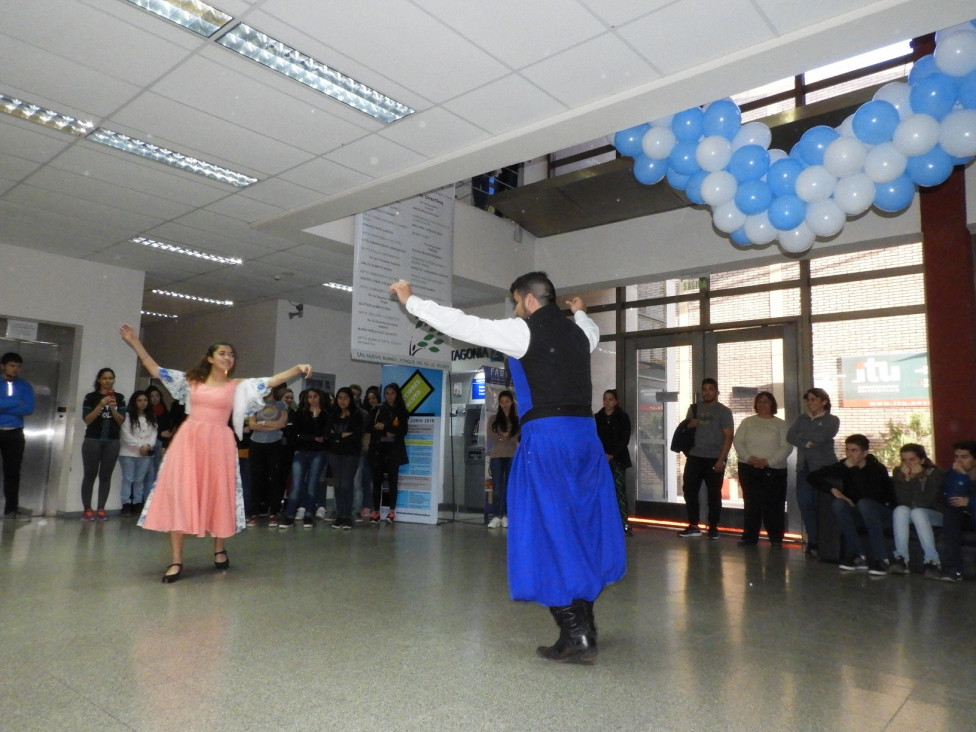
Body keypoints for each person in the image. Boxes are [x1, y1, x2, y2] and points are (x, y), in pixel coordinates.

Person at [391, 272, 625, 664]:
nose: (516, 310)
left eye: (517, 302)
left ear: (529, 300)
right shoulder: (579, 334)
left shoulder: (523, 332)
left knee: (547, 529)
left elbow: (463, 324)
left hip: (548, 439)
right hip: (585, 438)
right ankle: (585, 624)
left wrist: (411, 301)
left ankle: (576, 632)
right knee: (580, 527)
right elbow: (591, 328)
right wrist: (581, 311)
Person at [119, 323, 310, 583]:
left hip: (219, 442)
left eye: (231, 354)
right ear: (209, 358)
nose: (227, 357)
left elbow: (270, 381)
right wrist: (134, 341)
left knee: (219, 492)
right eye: (222, 353)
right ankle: (176, 560)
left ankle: (219, 548)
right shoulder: (191, 381)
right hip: (189, 441)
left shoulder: (237, 386)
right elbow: (155, 368)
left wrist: (297, 368)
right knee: (181, 494)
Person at [808, 434, 895, 575]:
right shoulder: (844, 465)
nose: (849, 454)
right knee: (838, 504)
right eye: (847, 450)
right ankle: (859, 556)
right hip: (859, 512)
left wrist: (853, 470)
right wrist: (833, 490)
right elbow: (813, 476)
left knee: (864, 503)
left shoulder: (877, 468)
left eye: (854, 450)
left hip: (880, 512)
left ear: (865, 453)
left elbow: (869, 494)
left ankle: (881, 559)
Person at [732, 391, 793, 546]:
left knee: (774, 504)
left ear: (772, 404)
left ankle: (776, 538)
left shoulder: (781, 424)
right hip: (748, 468)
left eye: (766, 401)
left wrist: (768, 461)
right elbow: (738, 442)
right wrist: (749, 458)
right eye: (759, 401)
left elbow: (786, 447)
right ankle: (750, 537)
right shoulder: (747, 422)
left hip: (774, 470)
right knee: (751, 504)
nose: (762, 404)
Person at [677, 378, 734, 539]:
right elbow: (686, 431)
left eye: (710, 389)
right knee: (689, 491)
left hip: (714, 458)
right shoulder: (694, 409)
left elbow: (729, 437)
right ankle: (694, 525)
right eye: (704, 389)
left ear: (717, 392)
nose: (707, 392)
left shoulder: (724, 411)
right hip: (694, 457)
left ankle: (713, 527)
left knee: (714, 494)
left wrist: (721, 460)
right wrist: (689, 425)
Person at [786, 388, 840, 557]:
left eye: (814, 400)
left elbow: (821, 437)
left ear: (824, 401)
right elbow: (790, 436)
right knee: (805, 503)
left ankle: (826, 542)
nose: (810, 403)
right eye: (808, 400)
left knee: (823, 505)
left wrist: (803, 437)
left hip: (824, 469)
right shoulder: (802, 418)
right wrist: (806, 441)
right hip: (804, 468)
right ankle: (813, 541)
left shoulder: (832, 419)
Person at [890, 443, 945, 578]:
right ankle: (901, 559)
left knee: (918, 512)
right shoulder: (899, 472)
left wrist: (915, 478)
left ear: (922, 460)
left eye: (912, 459)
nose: (908, 464)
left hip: (935, 514)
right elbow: (904, 502)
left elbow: (923, 503)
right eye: (904, 460)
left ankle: (932, 561)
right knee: (900, 510)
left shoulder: (935, 473)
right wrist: (907, 479)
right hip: (912, 512)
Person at [80, 368, 126, 521]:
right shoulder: (91, 397)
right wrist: (100, 405)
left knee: (106, 476)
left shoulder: (119, 398)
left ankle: (101, 508)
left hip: (112, 441)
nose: (108, 381)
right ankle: (87, 509)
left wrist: (112, 408)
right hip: (93, 440)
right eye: (105, 378)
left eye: (111, 378)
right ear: (99, 380)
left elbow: (121, 420)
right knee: (89, 475)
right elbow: (87, 419)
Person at [278, 388, 329, 528]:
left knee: (313, 484)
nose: (312, 399)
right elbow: (296, 434)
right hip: (301, 451)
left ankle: (308, 515)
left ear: (320, 398)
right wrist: (312, 438)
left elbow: (323, 436)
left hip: (318, 453)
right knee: (296, 484)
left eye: (315, 396)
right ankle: (289, 515)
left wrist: (316, 417)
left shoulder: (325, 414)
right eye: (309, 397)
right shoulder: (300, 413)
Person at [367, 383, 409, 523]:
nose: (389, 396)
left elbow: (402, 431)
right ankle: (376, 512)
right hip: (379, 450)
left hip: (394, 451)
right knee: (377, 481)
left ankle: (391, 512)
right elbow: (371, 428)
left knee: (392, 482)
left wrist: (385, 427)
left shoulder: (401, 410)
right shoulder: (379, 409)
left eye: (392, 393)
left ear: (397, 394)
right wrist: (387, 431)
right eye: (387, 393)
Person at [247, 386, 289, 527]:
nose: (267, 390)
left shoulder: (280, 404)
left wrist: (263, 424)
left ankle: (274, 513)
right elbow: (252, 425)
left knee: (275, 478)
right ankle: (255, 513)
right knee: (256, 478)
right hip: (256, 444)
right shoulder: (255, 403)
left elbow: (282, 423)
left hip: (275, 444)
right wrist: (272, 425)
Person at [0, 352, 34, 521]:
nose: (15, 369)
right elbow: (20, 405)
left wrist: (3, 405)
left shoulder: (25, 386)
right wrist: (15, 402)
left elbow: (28, 408)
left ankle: (11, 509)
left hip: (14, 433)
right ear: (3, 366)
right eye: (12, 365)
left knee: (13, 472)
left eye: (18, 366)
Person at [594, 389, 632, 537]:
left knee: (619, 491)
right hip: (600, 459)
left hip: (618, 459)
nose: (607, 402)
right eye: (605, 399)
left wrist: (613, 454)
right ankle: (603, 524)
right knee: (600, 490)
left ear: (616, 401)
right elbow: (594, 438)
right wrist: (602, 454)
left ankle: (624, 523)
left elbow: (625, 438)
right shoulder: (597, 418)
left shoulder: (622, 417)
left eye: (610, 399)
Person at [937, 441, 976, 582]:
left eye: (964, 457)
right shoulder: (952, 473)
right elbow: (951, 499)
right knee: (951, 514)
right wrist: (962, 477)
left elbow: (965, 501)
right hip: (963, 517)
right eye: (956, 457)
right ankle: (953, 569)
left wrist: (970, 502)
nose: (959, 461)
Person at [327, 386, 365, 529]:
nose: (342, 401)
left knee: (347, 485)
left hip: (351, 454)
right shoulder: (332, 414)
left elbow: (356, 436)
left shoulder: (357, 415)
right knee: (337, 485)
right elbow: (328, 435)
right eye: (340, 398)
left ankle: (347, 516)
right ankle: (339, 516)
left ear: (351, 399)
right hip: (334, 454)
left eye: (346, 398)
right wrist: (342, 436)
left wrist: (338, 437)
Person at [118, 390, 158, 516]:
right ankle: (126, 503)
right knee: (128, 479)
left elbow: (153, 434)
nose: (143, 403)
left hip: (145, 454)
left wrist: (148, 446)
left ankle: (137, 503)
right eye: (139, 400)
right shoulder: (128, 416)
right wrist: (140, 446)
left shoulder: (151, 417)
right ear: (134, 402)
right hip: (128, 453)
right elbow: (126, 435)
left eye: (145, 400)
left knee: (140, 480)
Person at [487, 390, 520, 530]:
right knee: (497, 488)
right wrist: (503, 437)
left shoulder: (517, 419)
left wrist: (507, 436)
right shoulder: (493, 419)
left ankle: (506, 515)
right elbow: (490, 435)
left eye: (507, 401)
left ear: (512, 402)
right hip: (497, 456)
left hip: (512, 455)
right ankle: (496, 516)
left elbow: (517, 435)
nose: (504, 404)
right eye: (502, 402)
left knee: (509, 487)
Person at [144, 385, 173, 488]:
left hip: (161, 446)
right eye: (152, 396)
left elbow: (168, 432)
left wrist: (165, 446)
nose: (155, 398)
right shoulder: (145, 412)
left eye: (157, 395)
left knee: (156, 473)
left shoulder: (165, 412)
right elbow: (145, 429)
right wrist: (160, 433)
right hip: (147, 445)